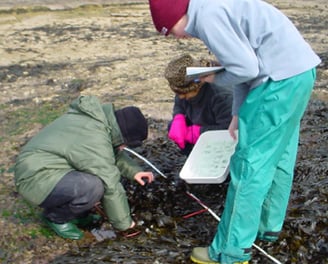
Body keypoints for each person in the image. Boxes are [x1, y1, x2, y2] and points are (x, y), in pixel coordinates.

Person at [148, 0, 321, 263]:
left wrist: (212, 78)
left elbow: (245, 69)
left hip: (275, 83)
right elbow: (243, 67)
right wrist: (237, 114)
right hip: (298, 73)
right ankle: (267, 227)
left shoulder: (207, 17)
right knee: (280, 157)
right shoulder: (217, 6)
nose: (176, 37)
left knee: (249, 167)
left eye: (170, 30)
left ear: (175, 16)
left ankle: (230, 251)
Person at [14, 95, 154, 240]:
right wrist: (125, 224)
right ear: (123, 134)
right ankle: (56, 218)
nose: (124, 147)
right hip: (34, 177)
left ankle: (75, 213)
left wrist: (135, 171)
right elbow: (110, 185)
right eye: (126, 144)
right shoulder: (94, 138)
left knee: (89, 183)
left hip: (43, 166)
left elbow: (111, 154)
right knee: (93, 186)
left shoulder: (97, 122)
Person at [165, 53, 232, 155]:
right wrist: (178, 116)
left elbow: (230, 130)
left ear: (197, 86)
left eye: (183, 93)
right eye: (177, 93)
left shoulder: (221, 96)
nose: (181, 97)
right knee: (173, 127)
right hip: (201, 123)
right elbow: (180, 100)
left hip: (228, 139)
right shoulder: (185, 84)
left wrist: (198, 133)